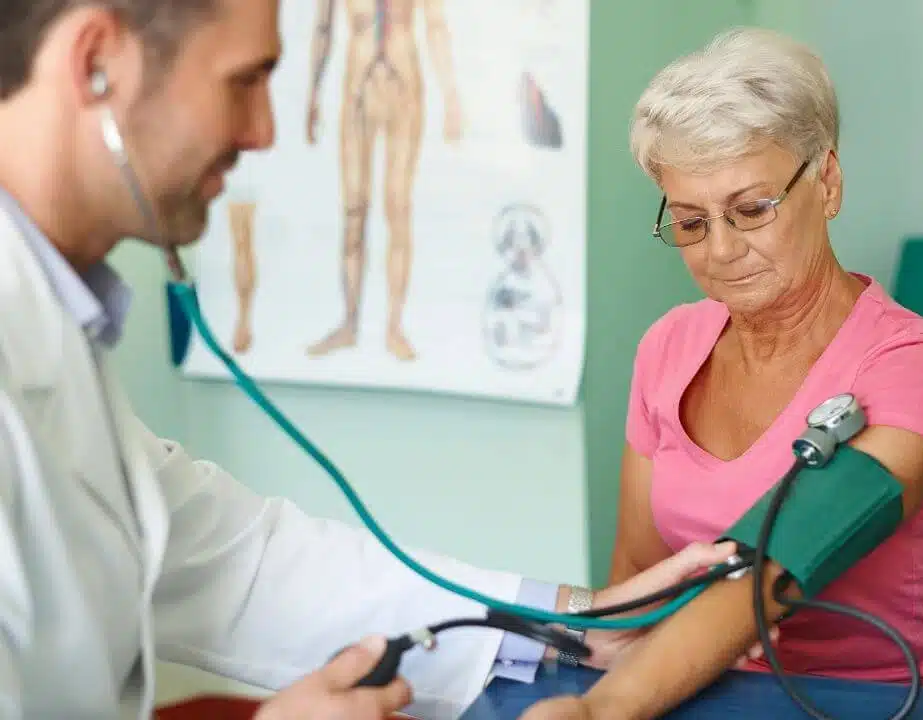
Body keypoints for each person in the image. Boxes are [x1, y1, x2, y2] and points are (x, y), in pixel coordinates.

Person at [0, 1, 750, 718]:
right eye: (244, 80)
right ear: (97, 63)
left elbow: (236, 562)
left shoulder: (54, 319)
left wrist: (575, 617)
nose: (263, 131)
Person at [522, 27, 923, 719]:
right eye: (693, 223)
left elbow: (770, 567)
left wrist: (599, 713)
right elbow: (635, 585)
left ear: (827, 182)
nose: (722, 251)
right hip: (688, 697)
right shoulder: (670, 346)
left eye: (751, 210)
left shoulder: (910, 367)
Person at [304, 0, 462, 362]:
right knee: (354, 208)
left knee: (398, 209)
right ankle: (349, 322)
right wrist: (313, 93)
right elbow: (323, 28)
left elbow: (435, 24)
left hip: (404, 85)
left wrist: (451, 95)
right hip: (359, 87)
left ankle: (393, 326)